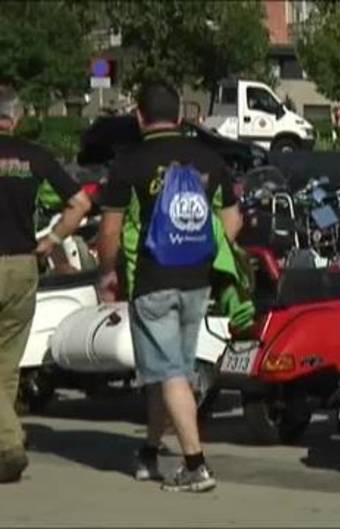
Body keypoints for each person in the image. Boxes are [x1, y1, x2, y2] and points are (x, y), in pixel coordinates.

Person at [96, 83, 242, 493]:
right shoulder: (209, 158)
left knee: (170, 370)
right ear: (180, 115)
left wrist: (108, 273)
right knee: (167, 369)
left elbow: (109, 231)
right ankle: (148, 452)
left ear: (140, 117)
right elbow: (233, 221)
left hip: (152, 279)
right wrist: (212, 260)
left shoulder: (129, 162)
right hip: (197, 281)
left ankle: (196, 464)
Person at [0, 85, 93, 483]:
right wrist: (53, 240)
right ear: (17, 117)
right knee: (7, 364)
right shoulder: (34, 156)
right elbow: (81, 203)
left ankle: (10, 442)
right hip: (23, 264)